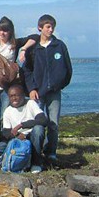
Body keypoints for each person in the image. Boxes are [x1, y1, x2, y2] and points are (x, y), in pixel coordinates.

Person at [22, 14, 72, 162]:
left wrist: (59, 84)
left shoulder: (59, 46)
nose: (51, 30)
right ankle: (34, 152)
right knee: (36, 123)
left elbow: (68, 69)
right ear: (40, 28)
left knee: (53, 124)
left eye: (52, 27)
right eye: (48, 27)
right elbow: (27, 71)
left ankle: (51, 152)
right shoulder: (33, 49)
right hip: (38, 92)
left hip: (54, 92)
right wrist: (31, 88)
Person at [0, 17, 37, 147]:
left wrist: (23, 49)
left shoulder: (15, 44)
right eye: (0, 30)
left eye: (6, 30)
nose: (2, 33)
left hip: (9, 89)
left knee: (4, 119)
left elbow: (35, 37)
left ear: (11, 31)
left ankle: (3, 144)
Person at [0, 84, 48, 173]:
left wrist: (22, 125)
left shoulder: (30, 103)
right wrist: (17, 135)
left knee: (38, 129)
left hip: (31, 136)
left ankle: (36, 163)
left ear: (22, 95)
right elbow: (6, 132)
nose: (14, 98)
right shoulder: (8, 111)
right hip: (17, 139)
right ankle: (18, 160)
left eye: (16, 95)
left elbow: (43, 120)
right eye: (11, 96)